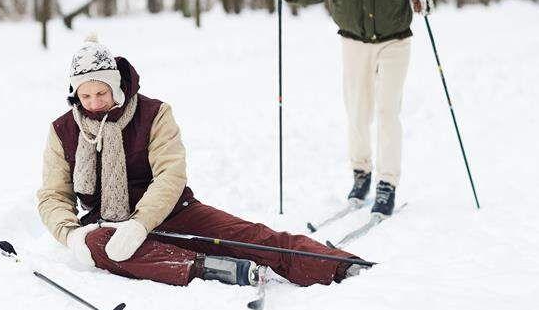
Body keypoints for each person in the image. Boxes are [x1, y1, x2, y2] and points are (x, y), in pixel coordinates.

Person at [37, 35, 366, 288]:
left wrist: (141, 224)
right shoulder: (63, 130)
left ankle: (334, 263)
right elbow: (53, 194)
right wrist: (70, 235)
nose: (94, 103)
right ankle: (207, 268)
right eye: (85, 95)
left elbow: (170, 175)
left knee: (244, 236)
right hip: (109, 223)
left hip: (171, 211)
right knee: (97, 245)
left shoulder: (154, 114)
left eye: (101, 93)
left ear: (117, 87)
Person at [269, 0, 436, 216]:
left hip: (394, 41)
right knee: (358, 111)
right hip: (353, 42)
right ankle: (361, 173)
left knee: (387, 111)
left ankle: (387, 182)